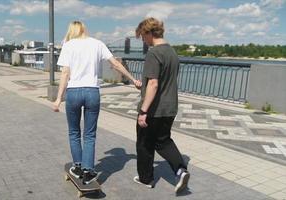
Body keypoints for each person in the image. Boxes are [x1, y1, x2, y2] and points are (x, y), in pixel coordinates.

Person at [53, 21, 141, 185]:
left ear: (71, 31)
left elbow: (65, 73)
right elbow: (115, 63)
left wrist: (58, 98)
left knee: (74, 132)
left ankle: (77, 167)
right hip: (92, 92)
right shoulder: (97, 44)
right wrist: (133, 79)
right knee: (89, 134)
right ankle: (88, 171)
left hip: (73, 92)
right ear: (85, 29)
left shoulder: (68, 45)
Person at [133, 17, 190, 193]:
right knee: (164, 141)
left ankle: (146, 178)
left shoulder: (154, 53)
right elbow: (165, 80)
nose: (143, 40)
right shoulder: (172, 53)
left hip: (154, 109)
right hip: (170, 107)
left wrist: (143, 111)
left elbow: (154, 84)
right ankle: (180, 170)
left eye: (143, 36)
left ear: (149, 33)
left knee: (144, 143)